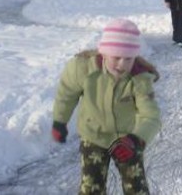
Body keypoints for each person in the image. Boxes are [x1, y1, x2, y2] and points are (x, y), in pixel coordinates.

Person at [51, 19, 161, 195]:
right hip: (93, 136)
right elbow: (67, 93)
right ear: (104, 53)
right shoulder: (84, 68)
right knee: (91, 188)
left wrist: (136, 140)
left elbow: (151, 116)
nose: (122, 64)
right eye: (116, 57)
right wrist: (60, 120)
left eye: (128, 58)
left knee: (137, 189)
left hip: (127, 140)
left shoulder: (139, 79)